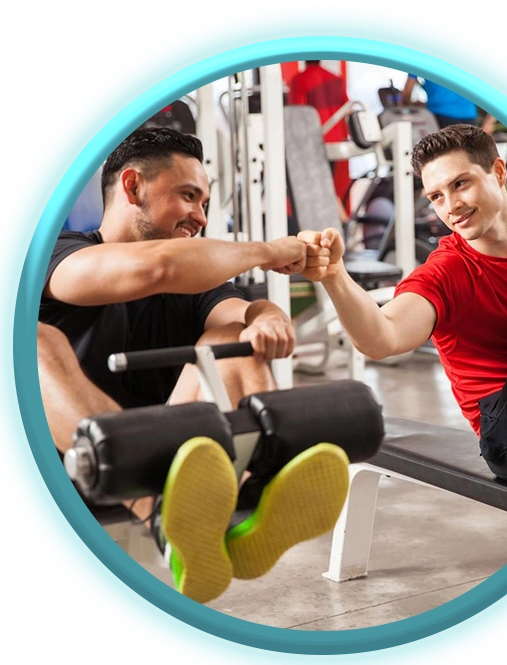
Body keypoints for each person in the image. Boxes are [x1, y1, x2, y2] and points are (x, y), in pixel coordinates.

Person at [38, 126, 350, 603]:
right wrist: (270, 252)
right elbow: (155, 267)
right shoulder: (57, 254)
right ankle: (154, 505)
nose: (199, 217)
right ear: (132, 186)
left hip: (186, 470)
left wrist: (263, 316)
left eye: (204, 204)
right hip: (69, 462)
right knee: (30, 341)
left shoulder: (196, 279)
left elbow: (235, 314)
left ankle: (248, 500)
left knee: (233, 339)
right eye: (188, 197)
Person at [297, 124, 507, 486]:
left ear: (499, 171)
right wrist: (335, 275)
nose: (451, 206)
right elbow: (382, 338)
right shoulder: (446, 273)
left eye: (460, 184)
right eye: (436, 196)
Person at [287, 60, 351, 223]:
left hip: (315, 142)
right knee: (328, 186)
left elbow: (297, 114)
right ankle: (345, 223)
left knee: (320, 189)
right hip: (336, 139)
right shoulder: (335, 78)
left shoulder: (299, 80)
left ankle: (345, 224)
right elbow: (347, 108)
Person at [401, 74, 497, 134]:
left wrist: (411, 105)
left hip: (439, 117)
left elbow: (407, 93)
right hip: (469, 117)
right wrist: (488, 124)